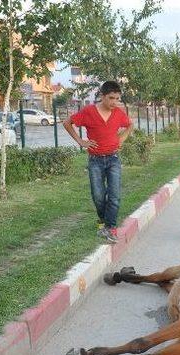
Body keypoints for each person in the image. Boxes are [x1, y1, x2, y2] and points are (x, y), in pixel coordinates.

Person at [63, 81, 133, 243]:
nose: (114, 102)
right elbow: (67, 123)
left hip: (113, 158)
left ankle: (110, 228)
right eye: (111, 98)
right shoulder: (88, 112)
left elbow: (130, 125)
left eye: (117, 99)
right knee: (98, 196)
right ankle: (102, 221)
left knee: (114, 196)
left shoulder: (118, 112)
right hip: (95, 160)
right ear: (102, 96)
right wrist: (81, 141)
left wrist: (121, 139)